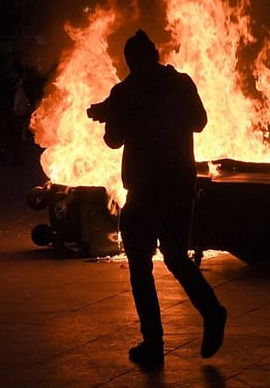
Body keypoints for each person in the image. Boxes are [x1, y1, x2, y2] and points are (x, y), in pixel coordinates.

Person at [87, 29, 226, 368]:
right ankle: (212, 311)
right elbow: (200, 122)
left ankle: (154, 343)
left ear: (131, 62)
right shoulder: (180, 82)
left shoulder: (126, 92)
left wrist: (111, 115)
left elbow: (114, 140)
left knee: (139, 265)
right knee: (176, 257)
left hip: (146, 189)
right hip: (180, 184)